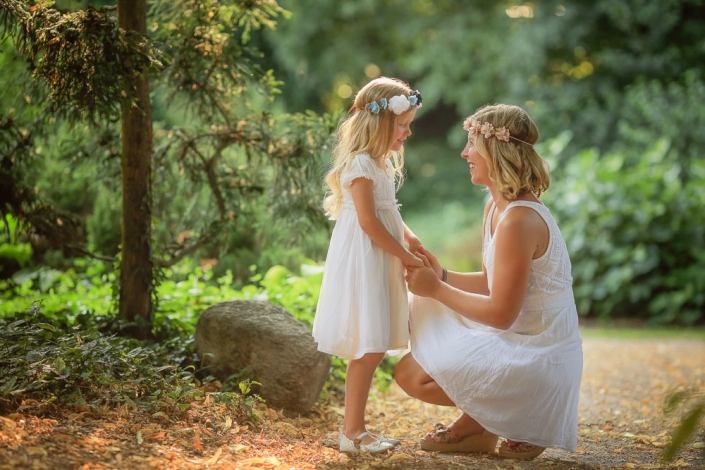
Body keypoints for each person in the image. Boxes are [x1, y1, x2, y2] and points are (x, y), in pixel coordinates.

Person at [395, 104, 583, 460]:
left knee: (416, 376)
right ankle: (481, 424)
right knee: (410, 372)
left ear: (494, 151)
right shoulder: (495, 207)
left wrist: (436, 290)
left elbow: (500, 314)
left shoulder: (519, 219)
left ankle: (521, 411)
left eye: (471, 145)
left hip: (540, 353)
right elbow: (491, 281)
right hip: (517, 340)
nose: (465, 153)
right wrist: (444, 276)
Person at [312, 77, 425, 455]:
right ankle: (352, 431)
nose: (406, 133)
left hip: (381, 256)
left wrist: (411, 239)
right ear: (379, 123)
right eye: (403, 125)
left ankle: (355, 429)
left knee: (372, 346)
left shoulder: (378, 164)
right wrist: (405, 256)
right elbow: (368, 222)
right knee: (367, 345)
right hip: (366, 261)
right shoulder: (361, 164)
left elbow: (387, 212)